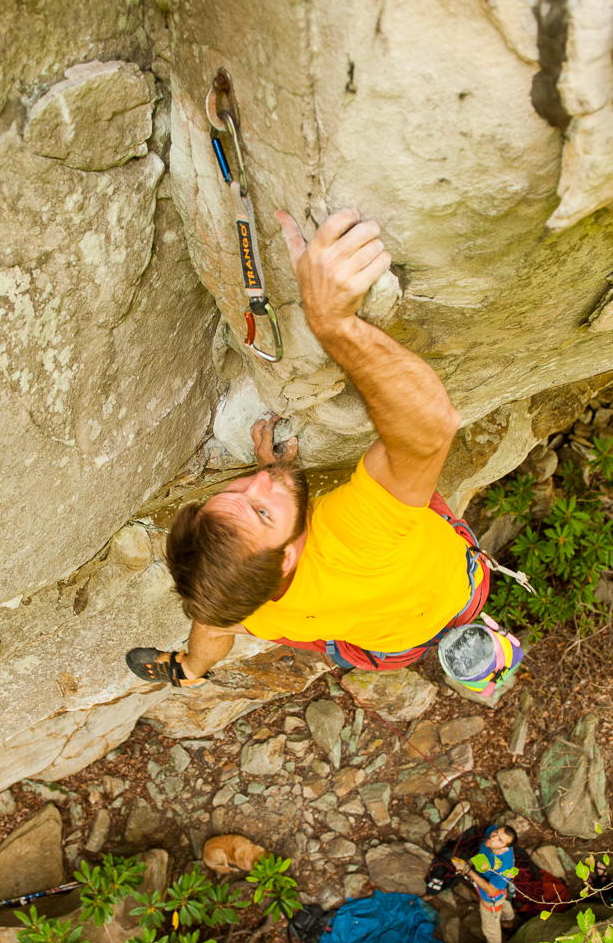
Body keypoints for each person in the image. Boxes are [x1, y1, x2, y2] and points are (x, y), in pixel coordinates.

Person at [125, 207, 488, 689]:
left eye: (235, 492)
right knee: (415, 493)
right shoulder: (355, 536)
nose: (259, 480)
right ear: (286, 559)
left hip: (386, 649)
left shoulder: (252, 607)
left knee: (211, 619)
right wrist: (333, 323)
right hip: (459, 590)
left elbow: (220, 603)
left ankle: (190, 670)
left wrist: (276, 491)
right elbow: (429, 428)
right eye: (262, 512)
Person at [452, 824, 517, 943]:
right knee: (503, 899)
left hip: (491, 898)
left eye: (500, 840)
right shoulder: (491, 833)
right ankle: (508, 920)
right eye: (496, 832)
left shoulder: (504, 867)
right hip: (498, 889)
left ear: (505, 848)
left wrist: (467, 870)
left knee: (491, 931)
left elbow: (491, 891)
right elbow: (483, 852)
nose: (493, 838)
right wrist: (471, 863)